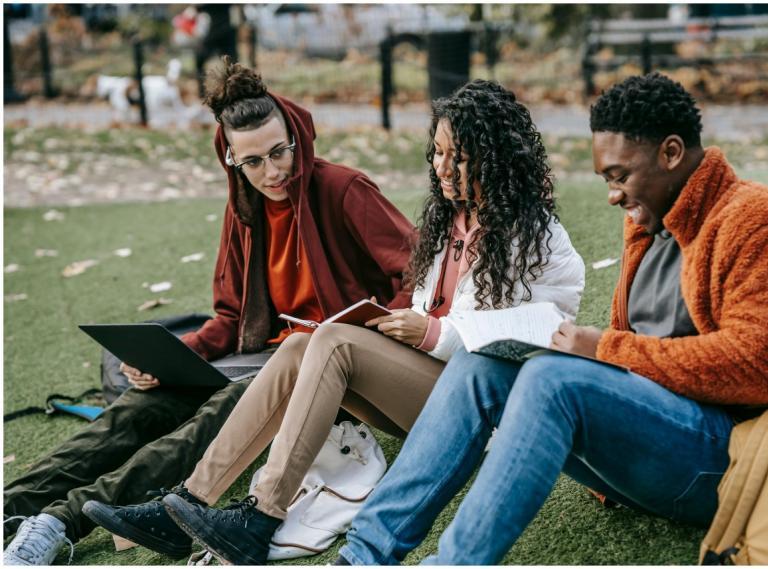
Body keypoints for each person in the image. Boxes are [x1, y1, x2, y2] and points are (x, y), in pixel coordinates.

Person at [333, 72, 768, 565]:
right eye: (606, 178)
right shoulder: (651, 224)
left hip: (740, 462)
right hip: (659, 447)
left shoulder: (763, 224)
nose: (612, 195)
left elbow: (767, 368)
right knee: (479, 364)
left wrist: (601, 350)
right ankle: (363, 556)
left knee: (554, 380)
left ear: (671, 153)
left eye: (620, 176)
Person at [82, 79, 586, 565]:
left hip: (486, 414)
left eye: (461, 157)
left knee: (333, 342)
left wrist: (431, 333)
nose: (444, 167)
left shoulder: (533, 233)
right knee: (300, 346)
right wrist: (401, 322)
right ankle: (192, 501)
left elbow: (539, 332)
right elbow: (426, 302)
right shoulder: (449, 217)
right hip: (432, 390)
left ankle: (259, 519)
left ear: (497, 157)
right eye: (437, 152)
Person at [3, 58, 415, 566]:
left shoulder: (344, 190)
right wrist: (175, 357)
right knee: (141, 407)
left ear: (296, 137)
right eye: (254, 161)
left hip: (327, 368)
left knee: (208, 420)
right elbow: (228, 317)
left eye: (280, 151)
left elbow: (417, 274)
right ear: (232, 161)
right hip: (259, 356)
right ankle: (11, 506)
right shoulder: (244, 211)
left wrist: (374, 327)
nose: (273, 171)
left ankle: (60, 522)